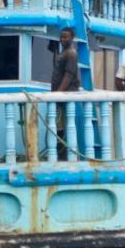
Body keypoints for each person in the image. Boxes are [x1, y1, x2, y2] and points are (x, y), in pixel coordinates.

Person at [51, 27, 81, 159]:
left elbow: (69, 75)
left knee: (63, 123)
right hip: (60, 95)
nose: (63, 39)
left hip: (65, 95)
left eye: (66, 37)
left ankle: (63, 154)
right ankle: (60, 152)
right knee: (59, 123)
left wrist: (58, 93)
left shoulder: (71, 54)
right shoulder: (63, 52)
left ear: (72, 38)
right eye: (61, 37)